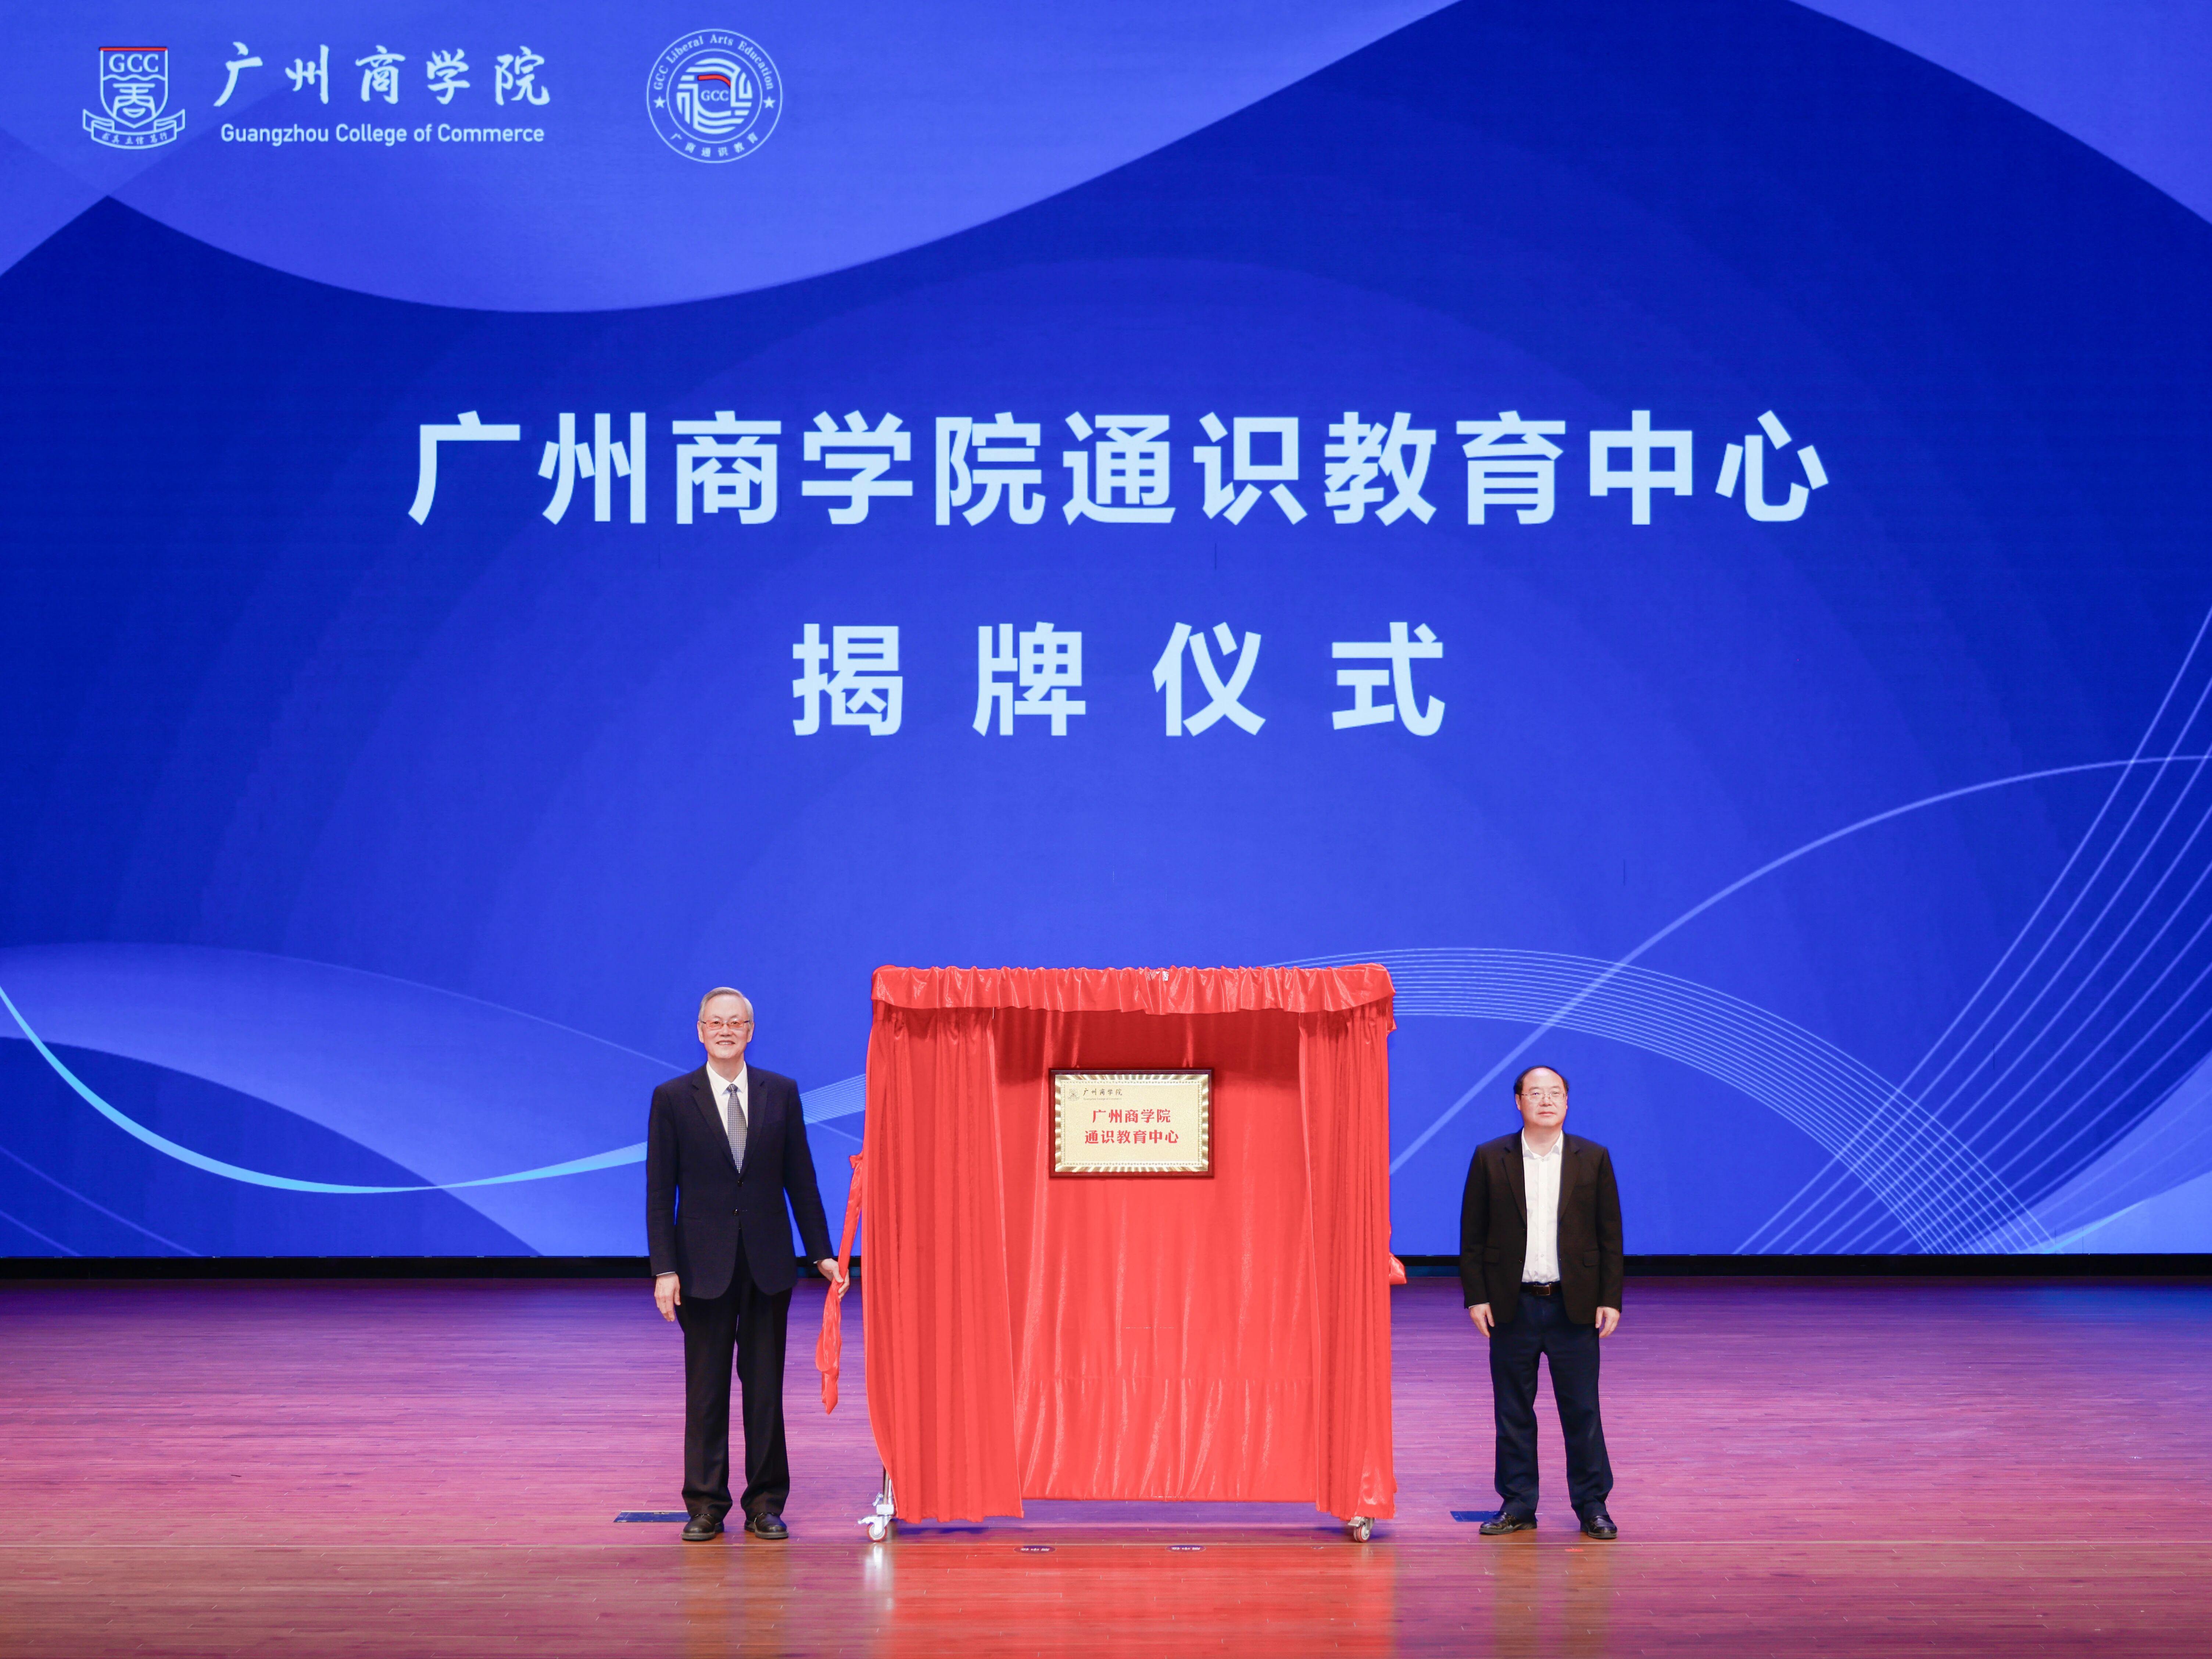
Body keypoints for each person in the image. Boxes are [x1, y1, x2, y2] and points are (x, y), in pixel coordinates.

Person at [647, 987, 841, 1542]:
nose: (726, 1031)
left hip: (767, 1264)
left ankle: (765, 1503)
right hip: (701, 1267)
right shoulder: (672, 1097)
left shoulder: (781, 1092)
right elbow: (659, 1191)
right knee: (706, 1390)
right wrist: (664, 1268)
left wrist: (822, 1251)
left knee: (764, 1390)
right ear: (700, 1031)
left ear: (750, 1032)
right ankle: (706, 1504)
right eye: (716, 1022)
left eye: (736, 1023)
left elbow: (800, 1177)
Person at [1458, 1064, 1624, 1540]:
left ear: (1567, 1102)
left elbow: (1610, 1235)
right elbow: (1472, 1234)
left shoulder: (1592, 1157)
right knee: (1513, 1410)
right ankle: (1517, 1504)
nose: (1546, 1100)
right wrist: (1476, 1296)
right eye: (1535, 1093)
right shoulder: (1491, 1157)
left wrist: (1610, 1298)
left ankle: (1592, 1505)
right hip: (1512, 1305)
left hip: (1575, 1305)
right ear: (1518, 1102)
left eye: (1555, 1093)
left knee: (1582, 1410)